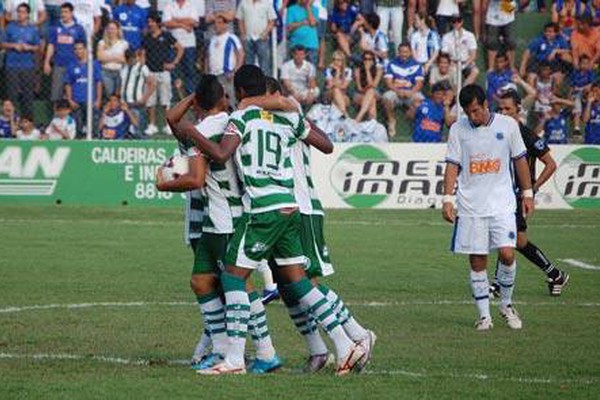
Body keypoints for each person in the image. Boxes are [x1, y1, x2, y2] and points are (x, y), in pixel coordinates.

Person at [175, 65, 366, 375]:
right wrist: (288, 109)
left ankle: (235, 359)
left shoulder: (242, 117)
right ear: (265, 90)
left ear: (238, 92)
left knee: (233, 277)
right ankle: (346, 345)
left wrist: (193, 132)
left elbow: (222, 155)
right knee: (298, 282)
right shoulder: (287, 117)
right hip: (290, 206)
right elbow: (327, 145)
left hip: (263, 208)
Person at [238, 76, 376, 372]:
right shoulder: (261, 118)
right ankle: (317, 350)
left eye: (267, 95)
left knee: (306, 281)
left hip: (301, 207)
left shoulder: (288, 111)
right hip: (278, 208)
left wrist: (252, 102)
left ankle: (357, 335)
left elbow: (324, 142)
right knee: (287, 285)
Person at [162, 75, 283, 374]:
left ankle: (262, 352)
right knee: (201, 281)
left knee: (239, 283)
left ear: (198, 104)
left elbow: (196, 178)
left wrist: (163, 183)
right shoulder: (232, 122)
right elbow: (173, 120)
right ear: (223, 99)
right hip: (218, 221)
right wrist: (203, 97)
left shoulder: (201, 131)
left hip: (227, 219)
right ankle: (221, 349)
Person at [442, 84, 535, 331]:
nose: (472, 117)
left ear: (485, 105)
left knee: (507, 253)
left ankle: (506, 304)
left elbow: (520, 161)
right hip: (471, 207)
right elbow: (452, 165)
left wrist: (527, 193)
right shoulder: (457, 130)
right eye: (468, 113)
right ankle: (484, 316)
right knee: (477, 259)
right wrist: (447, 199)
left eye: (475, 111)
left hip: (503, 204)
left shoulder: (508, 126)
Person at [492, 90, 570, 296]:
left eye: (508, 109)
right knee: (514, 240)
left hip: (519, 197)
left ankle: (500, 285)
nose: (503, 112)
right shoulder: (498, 133)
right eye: (500, 109)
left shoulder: (526, 135)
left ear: (518, 109)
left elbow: (550, 164)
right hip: (504, 195)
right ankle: (555, 274)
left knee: (512, 240)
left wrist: (532, 189)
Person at [141, 12, 184, 136]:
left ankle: (167, 126)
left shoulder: (166, 36)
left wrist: (174, 62)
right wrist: (145, 71)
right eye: (148, 22)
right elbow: (143, 54)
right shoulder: (147, 37)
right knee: (151, 101)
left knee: (166, 100)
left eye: (151, 21)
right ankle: (152, 125)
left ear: (157, 23)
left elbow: (180, 48)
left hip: (164, 72)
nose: (149, 24)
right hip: (151, 73)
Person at [1, 3, 41, 117]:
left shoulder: (33, 29)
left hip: (27, 66)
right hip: (11, 65)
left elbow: (38, 47)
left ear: (28, 14)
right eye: (18, 12)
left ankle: (27, 122)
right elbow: (2, 43)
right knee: (11, 94)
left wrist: (28, 47)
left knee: (27, 95)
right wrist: (14, 46)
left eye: (23, 12)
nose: (20, 14)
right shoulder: (10, 27)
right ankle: (12, 122)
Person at [44, 3, 87, 103]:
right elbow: (51, 45)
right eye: (62, 12)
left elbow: (84, 48)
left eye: (66, 12)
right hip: (59, 64)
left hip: (73, 65)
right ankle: (56, 116)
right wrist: (47, 62)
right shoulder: (55, 28)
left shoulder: (79, 29)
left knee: (73, 94)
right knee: (56, 94)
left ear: (72, 13)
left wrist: (83, 63)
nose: (63, 14)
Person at [382, 42, 425, 137]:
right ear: (398, 52)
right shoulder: (391, 64)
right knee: (386, 97)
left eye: (406, 52)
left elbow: (419, 84)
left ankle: (412, 120)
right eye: (401, 52)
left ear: (410, 52)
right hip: (396, 92)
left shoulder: (417, 65)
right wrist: (397, 91)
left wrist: (411, 92)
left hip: (411, 92)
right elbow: (388, 82)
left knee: (420, 100)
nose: (404, 54)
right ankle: (391, 120)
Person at [64, 41, 103, 137]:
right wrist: (70, 99)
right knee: (77, 128)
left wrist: (98, 99)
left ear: (85, 49)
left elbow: (98, 82)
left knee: (93, 128)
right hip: (77, 101)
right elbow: (68, 83)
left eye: (80, 48)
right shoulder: (71, 65)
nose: (78, 51)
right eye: (76, 49)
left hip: (91, 101)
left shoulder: (94, 64)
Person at [162, 0, 200, 96]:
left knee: (190, 70)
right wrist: (184, 24)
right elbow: (166, 23)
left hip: (189, 44)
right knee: (173, 70)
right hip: (173, 44)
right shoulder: (169, 6)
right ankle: (175, 96)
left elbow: (195, 23)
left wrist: (175, 20)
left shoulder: (191, 6)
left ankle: (191, 95)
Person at [207, 15, 244, 107]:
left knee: (231, 100)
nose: (216, 25)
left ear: (225, 25)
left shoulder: (231, 37)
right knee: (216, 101)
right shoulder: (212, 39)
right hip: (214, 75)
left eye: (219, 23)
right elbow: (208, 57)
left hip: (227, 74)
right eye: (215, 23)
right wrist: (207, 73)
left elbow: (241, 54)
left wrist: (235, 71)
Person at [519, 23, 571, 87]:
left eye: (550, 32)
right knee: (531, 77)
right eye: (546, 31)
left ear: (556, 33)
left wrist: (556, 51)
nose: (547, 33)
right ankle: (533, 95)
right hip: (539, 62)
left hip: (554, 63)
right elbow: (527, 51)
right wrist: (522, 66)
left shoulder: (560, 40)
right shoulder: (539, 40)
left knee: (558, 78)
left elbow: (568, 50)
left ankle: (552, 96)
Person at [120, 49, 156, 138]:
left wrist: (144, 98)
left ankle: (143, 144)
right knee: (126, 130)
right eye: (129, 59)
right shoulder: (124, 68)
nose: (131, 61)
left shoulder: (142, 68)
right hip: (124, 103)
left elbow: (152, 84)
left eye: (133, 58)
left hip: (136, 102)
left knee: (138, 129)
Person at [236, 0, 276, 76]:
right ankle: (250, 85)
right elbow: (240, 20)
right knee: (248, 65)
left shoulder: (267, 3)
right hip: (248, 38)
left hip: (262, 39)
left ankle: (266, 86)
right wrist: (243, 34)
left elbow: (272, 20)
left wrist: (265, 33)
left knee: (264, 65)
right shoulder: (243, 2)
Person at [441, 14, 479, 86]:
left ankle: (462, 91)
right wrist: (452, 63)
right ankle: (456, 93)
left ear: (462, 22)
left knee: (475, 71)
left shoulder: (470, 35)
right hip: (452, 63)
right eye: (454, 21)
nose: (456, 23)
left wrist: (464, 65)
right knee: (453, 72)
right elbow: (444, 54)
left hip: (466, 62)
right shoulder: (446, 37)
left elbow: (473, 55)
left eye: (458, 21)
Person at [97, 20, 129, 97]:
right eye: (109, 28)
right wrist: (116, 57)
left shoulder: (124, 43)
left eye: (113, 29)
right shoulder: (102, 43)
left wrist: (108, 57)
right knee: (110, 94)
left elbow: (125, 60)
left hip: (120, 72)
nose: (111, 31)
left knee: (119, 94)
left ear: (118, 30)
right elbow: (100, 57)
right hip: (106, 72)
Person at [484, 0, 517, 69]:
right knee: (492, 42)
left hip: (508, 10)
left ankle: (512, 67)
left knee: (511, 41)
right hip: (493, 15)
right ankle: (491, 68)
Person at [569, 55, 596, 135]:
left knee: (588, 92)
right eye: (583, 63)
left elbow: (590, 85)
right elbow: (572, 87)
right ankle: (576, 128)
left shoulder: (590, 73)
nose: (585, 65)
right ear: (579, 64)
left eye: (587, 63)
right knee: (576, 102)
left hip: (586, 93)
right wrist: (571, 94)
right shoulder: (575, 73)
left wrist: (580, 88)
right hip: (577, 95)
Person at [353, 50, 383, 122]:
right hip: (360, 94)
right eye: (365, 59)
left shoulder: (379, 70)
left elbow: (374, 85)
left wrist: (367, 71)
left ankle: (359, 117)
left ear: (373, 61)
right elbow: (359, 88)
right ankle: (372, 122)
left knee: (371, 91)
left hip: (375, 92)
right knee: (372, 100)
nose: (367, 61)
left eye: (370, 59)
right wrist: (367, 89)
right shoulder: (357, 70)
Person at [324, 51, 352, 117]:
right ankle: (345, 115)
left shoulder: (348, 71)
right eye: (334, 59)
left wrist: (334, 84)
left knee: (336, 99)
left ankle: (338, 118)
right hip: (329, 94)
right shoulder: (328, 70)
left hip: (344, 96)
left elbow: (344, 86)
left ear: (343, 61)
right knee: (336, 90)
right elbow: (330, 86)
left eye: (338, 60)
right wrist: (337, 71)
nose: (335, 62)